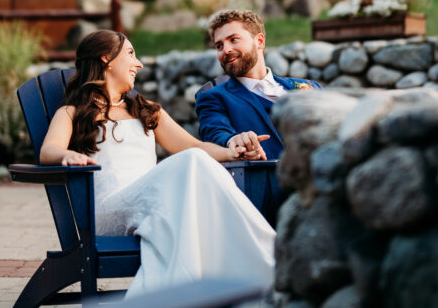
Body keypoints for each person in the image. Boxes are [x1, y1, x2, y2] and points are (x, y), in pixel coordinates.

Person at [40, 29, 275, 297]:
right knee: (191, 163)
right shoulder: (72, 113)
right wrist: (65, 155)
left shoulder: (146, 110)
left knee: (194, 159)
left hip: (153, 206)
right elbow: (48, 150)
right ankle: (266, 256)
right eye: (130, 53)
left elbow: (194, 146)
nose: (138, 63)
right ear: (107, 60)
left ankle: (243, 266)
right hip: (107, 213)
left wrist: (233, 153)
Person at [195, 9, 321, 160]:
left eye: (233, 39)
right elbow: (215, 132)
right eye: (219, 46)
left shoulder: (309, 87)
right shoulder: (213, 97)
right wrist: (233, 141)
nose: (226, 50)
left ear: (259, 41)